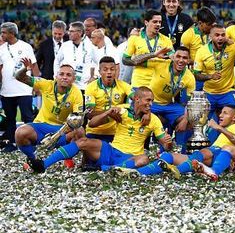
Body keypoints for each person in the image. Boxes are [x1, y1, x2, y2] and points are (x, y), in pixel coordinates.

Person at [27, 87, 173, 173]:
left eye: (152, 101)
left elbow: (165, 145)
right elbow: (92, 124)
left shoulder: (153, 119)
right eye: (148, 100)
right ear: (137, 100)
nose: (151, 104)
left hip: (130, 157)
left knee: (144, 159)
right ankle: (43, 165)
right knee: (83, 141)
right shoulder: (122, 111)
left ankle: (108, 169)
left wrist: (167, 142)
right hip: (110, 151)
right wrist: (107, 112)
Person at [133, 105, 235, 178]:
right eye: (221, 112)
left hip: (220, 155)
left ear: (234, 117)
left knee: (204, 152)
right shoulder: (218, 129)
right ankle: (140, 172)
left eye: (225, 113)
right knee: (170, 156)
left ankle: (177, 170)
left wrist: (220, 128)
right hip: (207, 157)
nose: (220, 115)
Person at [14, 61, 83, 164]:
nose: (64, 77)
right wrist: (25, 69)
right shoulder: (46, 84)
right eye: (61, 74)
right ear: (56, 76)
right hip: (42, 126)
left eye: (68, 75)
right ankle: (33, 159)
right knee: (20, 132)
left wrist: (59, 134)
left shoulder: (76, 92)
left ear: (73, 79)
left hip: (63, 129)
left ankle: (65, 158)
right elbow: (19, 77)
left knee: (80, 131)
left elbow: (77, 119)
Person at [193, 25, 235, 137]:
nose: (220, 38)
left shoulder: (232, 47)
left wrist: (231, 62)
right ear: (210, 36)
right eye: (217, 35)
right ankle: (210, 147)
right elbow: (196, 74)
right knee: (205, 123)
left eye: (223, 35)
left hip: (228, 91)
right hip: (209, 93)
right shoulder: (202, 51)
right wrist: (210, 76)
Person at [0, 22, 40, 152]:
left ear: (12, 33)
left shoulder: (25, 46)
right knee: (10, 119)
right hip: (7, 90)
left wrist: (37, 84)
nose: (2, 35)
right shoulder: (1, 48)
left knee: (28, 117)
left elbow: (33, 65)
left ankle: (32, 142)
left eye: (4, 32)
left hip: (24, 89)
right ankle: (11, 143)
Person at [149, 47, 195, 149]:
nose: (181, 60)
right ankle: (144, 149)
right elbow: (132, 61)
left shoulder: (189, 77)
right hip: (152, 103)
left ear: (188, 60)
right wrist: (154, 54)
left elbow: (190, 102)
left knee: (190, 120)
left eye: (185, 58)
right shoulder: (161, 63)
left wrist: (185, 121)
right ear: (173, 57)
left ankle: (180, 149)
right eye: (178, 56)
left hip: (168, 105)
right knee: (140, 115)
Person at [85, 56, 133, 142]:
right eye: (105, 69)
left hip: (116, 132)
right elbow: (89, 114)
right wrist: (110, 112)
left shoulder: (124, 85)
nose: (109, 72)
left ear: (116, 71)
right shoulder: (91, 87)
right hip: (95, 131)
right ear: (99, 72)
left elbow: (137, 98)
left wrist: (123, 106)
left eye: (112, 69)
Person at [122, 10, 174, 89]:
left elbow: (172, 58)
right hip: (139, 84)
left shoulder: (166, 40)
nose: (158, 24)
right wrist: (153, 55)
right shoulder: (134, 38)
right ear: (146, 23)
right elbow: (125, 60)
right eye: (155, 22)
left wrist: (173, 57)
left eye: (160, 22)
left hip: (159, 85)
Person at [180, 7, 217, 90]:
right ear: (200, 23)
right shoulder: (188, 35)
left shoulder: (214, 33)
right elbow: (181, 58)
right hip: (195, 78)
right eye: (209, 25)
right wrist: (201, 61)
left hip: (212, 77)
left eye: (212, 24)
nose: (211, 27)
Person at [54, 21, 94, 93]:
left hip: (84, 86)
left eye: (71, 31)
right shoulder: (65, 45)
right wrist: (56, 76)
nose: (69, 33)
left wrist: (94, 77)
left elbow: (98, 62)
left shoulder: (90, 46)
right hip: (67, 85)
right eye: (69, 31)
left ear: (80, 33)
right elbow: (57, 61)